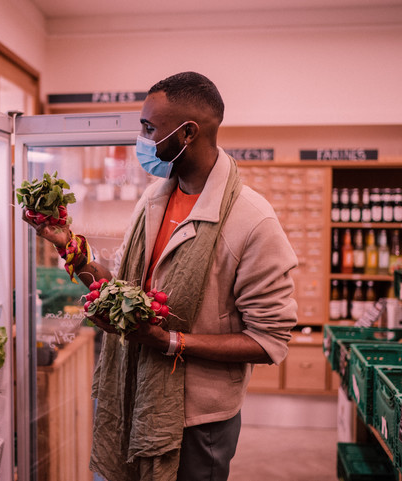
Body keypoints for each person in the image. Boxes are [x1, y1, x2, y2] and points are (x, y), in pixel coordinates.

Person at [23, 71, 298, 481]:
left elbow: (270, 339)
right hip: (131, 393)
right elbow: (120, 292)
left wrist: (169, 341)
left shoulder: (252, 221)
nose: (142, 139)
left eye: (150, 128)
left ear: (188, 133)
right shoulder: (154, 197)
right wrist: (69, 246)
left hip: (196, 421)